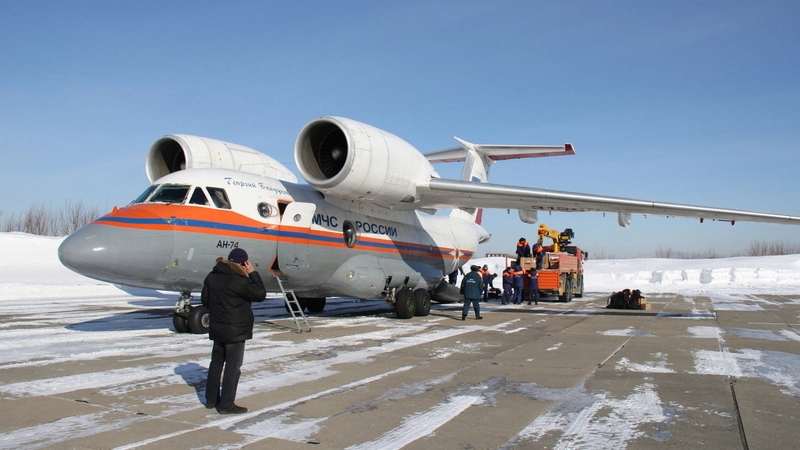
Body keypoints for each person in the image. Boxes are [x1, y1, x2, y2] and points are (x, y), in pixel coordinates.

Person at [202, 248, 267, 414]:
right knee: (232, 367)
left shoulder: (212, 276)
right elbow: (260, 294)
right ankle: (226, 405)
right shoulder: (240, 280)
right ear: (243, 263)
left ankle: (211, 400)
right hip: (236, 330)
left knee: (216, 364)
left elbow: (205, 300)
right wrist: (253, 273)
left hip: (218, 328)